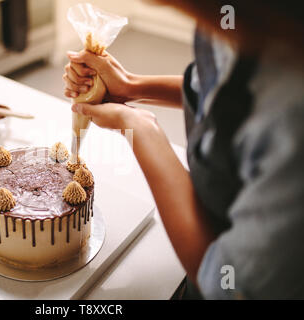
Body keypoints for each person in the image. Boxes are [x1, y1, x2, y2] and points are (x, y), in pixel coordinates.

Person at [62, 0, 304, 299]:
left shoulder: (294, 115)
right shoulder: (232, 20)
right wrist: (131, 85)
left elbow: (225, 283)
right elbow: (212, 91)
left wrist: (141, 129)